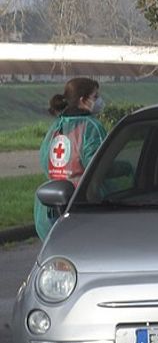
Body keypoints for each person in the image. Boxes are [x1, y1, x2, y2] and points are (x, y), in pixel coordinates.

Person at [35, 77, 108, 239]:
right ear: (83, 100)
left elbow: (45, 160)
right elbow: (99, 165)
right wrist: (125, 168)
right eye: (95, 96)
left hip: (53, 205)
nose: (99, 101)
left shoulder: (57, 126)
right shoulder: (91, 127)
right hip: (83, 204)